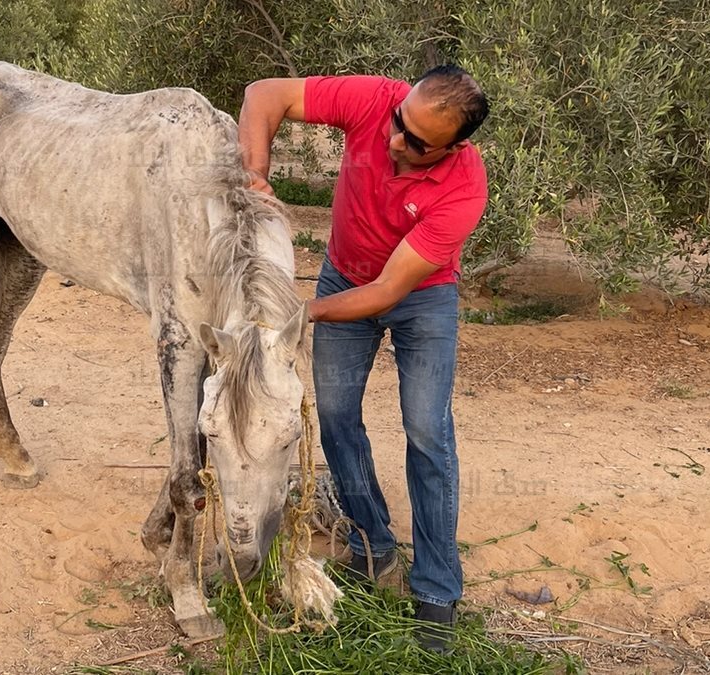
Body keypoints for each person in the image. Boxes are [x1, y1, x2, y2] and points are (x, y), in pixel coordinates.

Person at [237, 65, 489, 653]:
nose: (396, 140)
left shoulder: (463, 189)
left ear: (455, 146)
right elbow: (262, 94)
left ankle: (436, 587)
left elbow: (385, 294)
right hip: (343, 273)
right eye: (401, 123)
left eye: (419, 143)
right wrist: (255, 176)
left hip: (417, 300)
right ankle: (373, 545)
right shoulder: (376, 100)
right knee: (336, 420)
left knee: (427, 432)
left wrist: (304, 314)